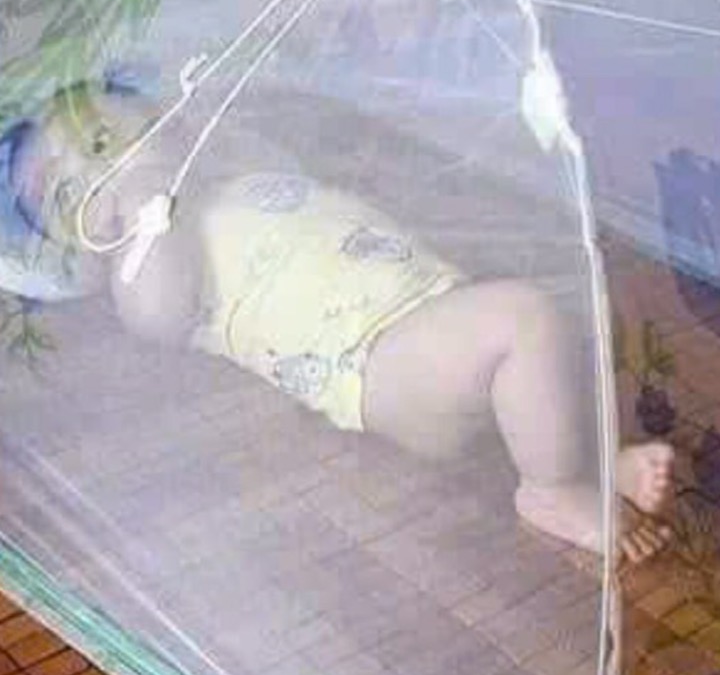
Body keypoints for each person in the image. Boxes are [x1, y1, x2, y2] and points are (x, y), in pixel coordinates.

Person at [6, 80, 674, 565]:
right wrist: (149, 207)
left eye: (101, 141)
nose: (97, 174)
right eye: (69, 195)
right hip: (373, 360)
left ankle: (594, 460)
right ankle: (553, 489)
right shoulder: (147, 259)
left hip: (420, 307)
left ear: (160, 118)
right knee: (527, 322)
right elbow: (156, 316)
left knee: (543, 366)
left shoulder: (224, 180)